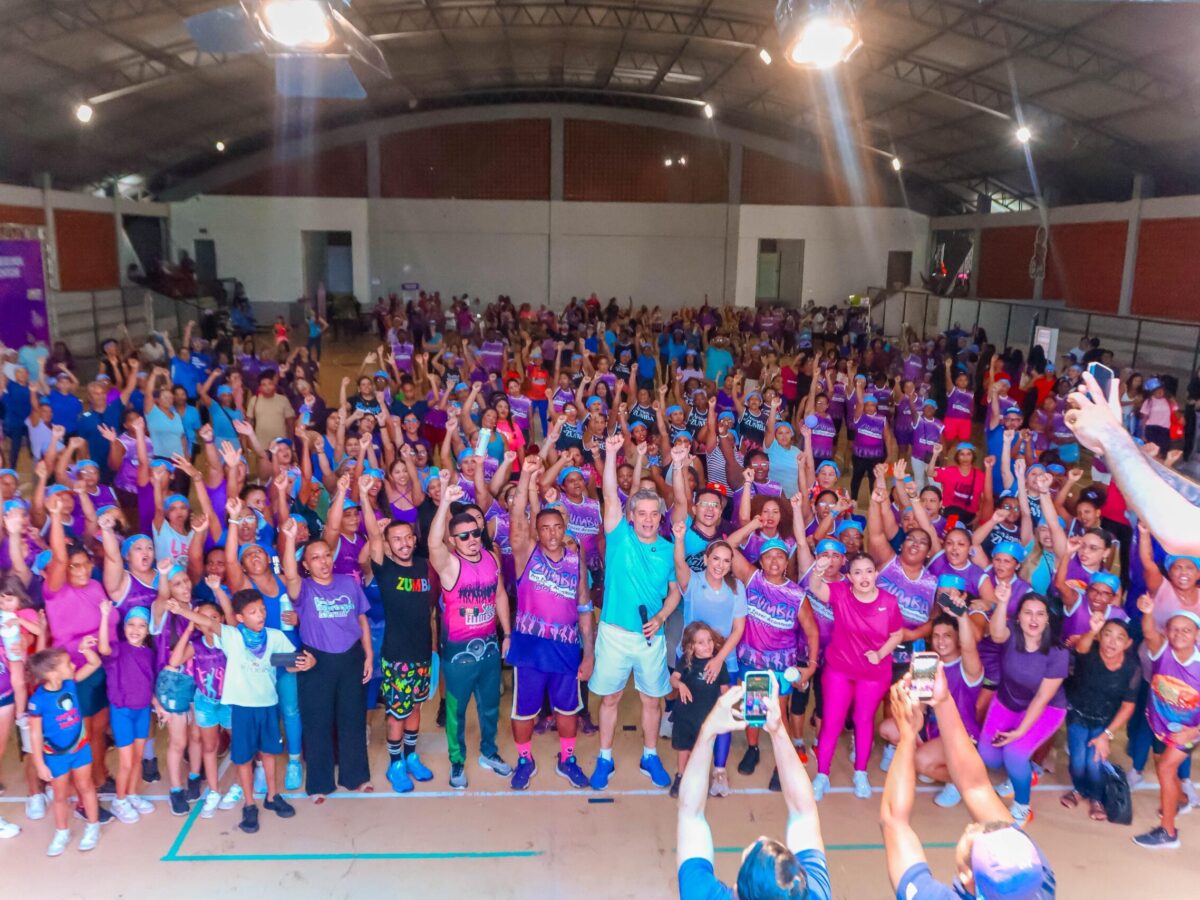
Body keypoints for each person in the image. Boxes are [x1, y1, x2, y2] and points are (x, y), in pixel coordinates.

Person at [881, 666, 1057, 899]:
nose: (983, 826)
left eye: (980, 838)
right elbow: (975, 786)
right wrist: (943, 701)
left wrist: (906, 736)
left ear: (968, 876)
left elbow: (894, 822)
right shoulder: (1038, 885)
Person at [168, 590, 314, 833]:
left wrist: (308, 662)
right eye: (253, 612)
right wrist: (181, 610)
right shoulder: (232, 637)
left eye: (262, 610)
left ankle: (272, 796)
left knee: (269, 753)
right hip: (242, 709)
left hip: (267, 705)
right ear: (239, 617)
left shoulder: (275, 637)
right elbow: (208, 622)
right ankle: (249, 804)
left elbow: (289, 664)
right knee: (244, 758)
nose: (261, 615)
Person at [676, 685, 832, 900]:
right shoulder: (813, 894)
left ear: (736, 890)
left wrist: (708, 731)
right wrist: (778, 730)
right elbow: (803, 811)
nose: (762, 837)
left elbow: (690, 814)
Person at [589, 433, 681, 791]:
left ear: (660, 517)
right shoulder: (618, 536)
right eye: (641, 513)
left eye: (653, 514)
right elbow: (611, 495)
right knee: (610, 698)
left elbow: (674, 592)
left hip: (650, 637)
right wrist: (611, 453)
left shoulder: (668, 549)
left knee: (651, 700)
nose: (647, 519)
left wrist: (660, 618)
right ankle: (605, 757)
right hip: (614, 634)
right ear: (630, 516)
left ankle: (649, 755)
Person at [506, 457, 595, 790]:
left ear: (565, 527)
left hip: (566, 647)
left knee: (568, 710)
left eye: (557, 527)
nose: (552, 533)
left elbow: (584, 607)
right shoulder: (526, 554)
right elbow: (517, 518)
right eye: (544, 528)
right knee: (524, 711)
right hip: (530, 647)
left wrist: (589, 654)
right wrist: (526, 476)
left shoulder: (575, 558)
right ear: (537, 531)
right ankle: (525, 760)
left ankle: (567, 759)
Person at [427, 470, 513, 789]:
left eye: (475, 533)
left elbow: (500, 594)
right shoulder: (449, 565)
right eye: (463, 536)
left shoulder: (491, 557)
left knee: (490, 707)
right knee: (456, 711)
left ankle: (489, 752)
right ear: (453, 540)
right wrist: (444, 504)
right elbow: (433, 542)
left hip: (489, 647)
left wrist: (507, 634)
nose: (471, 539)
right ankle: (457, 761)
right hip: (458, 653)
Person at [280, 513, 373, 801]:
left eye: (326, 555)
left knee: (352, 719)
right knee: (317, 722)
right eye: (315, 558)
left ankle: (355, 776)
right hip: (317, 661)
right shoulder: (303, 589)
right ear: (306, 565)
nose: (323, 562)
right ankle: (319, 784)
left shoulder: (348, 583)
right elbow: (290, 574)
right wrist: (289, 539)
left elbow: (361, 619)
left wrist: (369, 655)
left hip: (351, 657)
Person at [807, 554, 903, 800]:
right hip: (839, 670)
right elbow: (816, 588)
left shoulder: (889, 601)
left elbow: (897, 634)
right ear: (849, 577)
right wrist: (818, 571)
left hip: (873, 674)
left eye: (869, 571)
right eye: (857, 572)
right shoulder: (840, 593)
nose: (864, 577)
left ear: (876, 574)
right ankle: (822, 775)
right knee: (831, 722)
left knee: (863, 720)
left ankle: (861, 773)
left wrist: (880, 654)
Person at [361, 481, 437, 794]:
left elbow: (428, 613)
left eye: (407, 537)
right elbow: (372, 534)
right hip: (397, 657)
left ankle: (411, 756)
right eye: (396, 539)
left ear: (414, 539)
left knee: (416, 708)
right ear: (388, 545)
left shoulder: (421, 565)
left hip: (422, 655)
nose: (404, 543)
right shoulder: (385, 568)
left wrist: (433, 648)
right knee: (396, 714)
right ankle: (395, 765)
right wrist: (364, 496)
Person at [978, 588, 1068, 826]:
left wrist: (1019, 732)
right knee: (989, 756)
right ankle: (1024, 773)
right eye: (1028, 613)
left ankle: (1022, 806)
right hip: (1008, 701)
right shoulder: (1011, 633)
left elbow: (1041, 698)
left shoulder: (1058, 653)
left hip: (1047, 708)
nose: (1034, 619)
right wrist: (1002, 601)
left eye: (1040, 614)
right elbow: (996, 634)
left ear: (1047, 619)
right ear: (1018, 617)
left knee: (1014, 753)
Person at [1131, 599, 1200, 849]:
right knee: (1162, 764)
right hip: (1160, 724)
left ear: (1196, 634)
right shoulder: (1162, 650)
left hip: (1188, 731)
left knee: (1166, 770)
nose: (1180, 634)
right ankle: (1180, 800)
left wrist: (1193, 732)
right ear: (1167, 631)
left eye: (1186, 630)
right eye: (1175, 629)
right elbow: (1149, 632)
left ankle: (1168, 833)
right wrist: (1148, 613)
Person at [27, 640, 105, 856]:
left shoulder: (70, 684)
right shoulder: (38, 700)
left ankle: (93, 826)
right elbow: (35, 733)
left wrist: (85, 649)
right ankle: (62, 832)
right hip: (56, 756)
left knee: (86, 786)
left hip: (80, 749)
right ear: (52, 674)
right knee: (60, 795)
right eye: (68, 663)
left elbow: (95, 663)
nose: (73, 666)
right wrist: (40, 763)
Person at [1061, 612, 1139, 822]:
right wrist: (1093, 630)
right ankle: (1079, 790)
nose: (1112, 641)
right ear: (1099, 637)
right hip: (1078, 713)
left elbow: (1128, 706)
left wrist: (1106, 735)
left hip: (1104, 720)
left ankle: (1096, 798)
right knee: (1078, 761)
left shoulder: (1131, 668)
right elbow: (1080, 647)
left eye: (1119, 638)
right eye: (1107, 634)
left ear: (1128, 643)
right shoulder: (1089, 651)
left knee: (1094, 764)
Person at [669, 621, 730, 798]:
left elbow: (724, 691)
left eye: (709, 640)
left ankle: (698, 780)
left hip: (706, 719)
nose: (707, 645)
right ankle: (680, 776)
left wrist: (724, 710)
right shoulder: (686, 662)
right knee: (684, 750)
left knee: (702, 752)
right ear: (691, 646)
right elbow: (673, 679)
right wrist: (680, 685)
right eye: (701, 642)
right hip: (684, 716)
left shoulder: (719, 664)